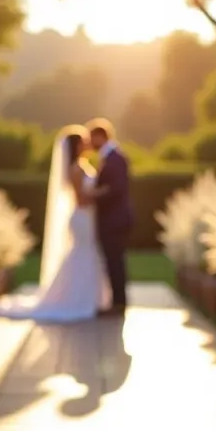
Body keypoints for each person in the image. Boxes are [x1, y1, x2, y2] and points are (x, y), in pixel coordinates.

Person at [0, 125, 109, 322]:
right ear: (76, 146)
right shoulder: (76, 169)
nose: (88, 145)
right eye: (84, 142)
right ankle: (75, 299)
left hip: (86, 218)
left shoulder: (81, 167)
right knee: (82, 253)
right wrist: (103, 193)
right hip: (82, 218)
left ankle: (85, 297)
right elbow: (81, 199)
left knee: (85, 254)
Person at [86, 118, 133, 317]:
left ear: (100, 136)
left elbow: (117, 189)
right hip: (112, 220)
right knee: (113, 261)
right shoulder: (110, 157)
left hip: (114, 220)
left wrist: (93, 195)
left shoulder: (115, 158)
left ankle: (119, 303)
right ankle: (117, 301)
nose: (90, 143)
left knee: (115, 261)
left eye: (92, 138)